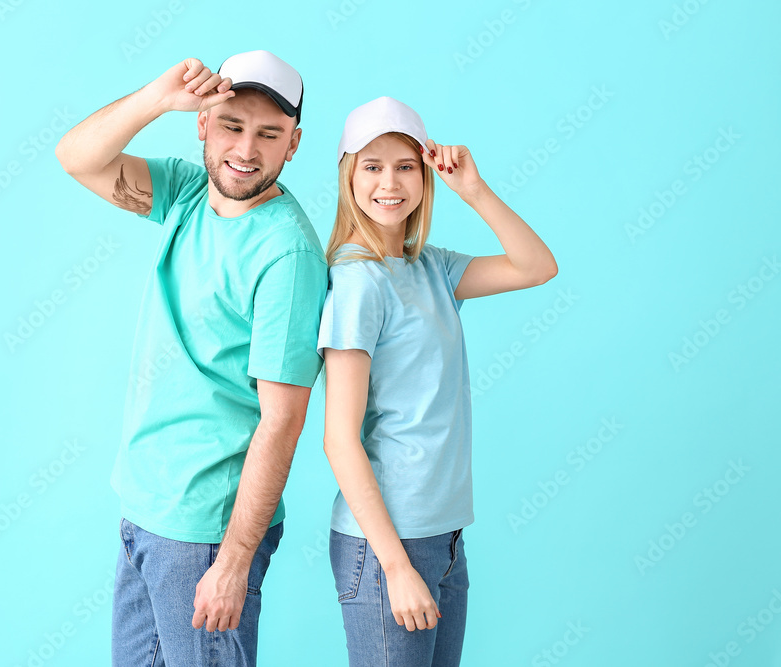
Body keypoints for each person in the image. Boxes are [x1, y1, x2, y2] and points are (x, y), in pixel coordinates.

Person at [55, 50, 328, 666]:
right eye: (232, 125)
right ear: (203, 122)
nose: (247, 149)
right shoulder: (185, 194)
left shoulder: (288, 256)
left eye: (269, 134)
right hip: (145, 508)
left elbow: (282, 421)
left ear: (294, 144)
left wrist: (232, 562)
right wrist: (156, 97)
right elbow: (77, 157)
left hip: (206, 530)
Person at [317, 96, 558, 666]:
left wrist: (473, 189)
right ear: (349, 175)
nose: (388, 183)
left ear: (425, 174)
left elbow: (536, 266)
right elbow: (339, 439)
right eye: (371, 167)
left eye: (404, 166)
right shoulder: (358, 284)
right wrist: (396, 567)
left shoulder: (431, 267)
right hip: (388, 546)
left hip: (444, 536)